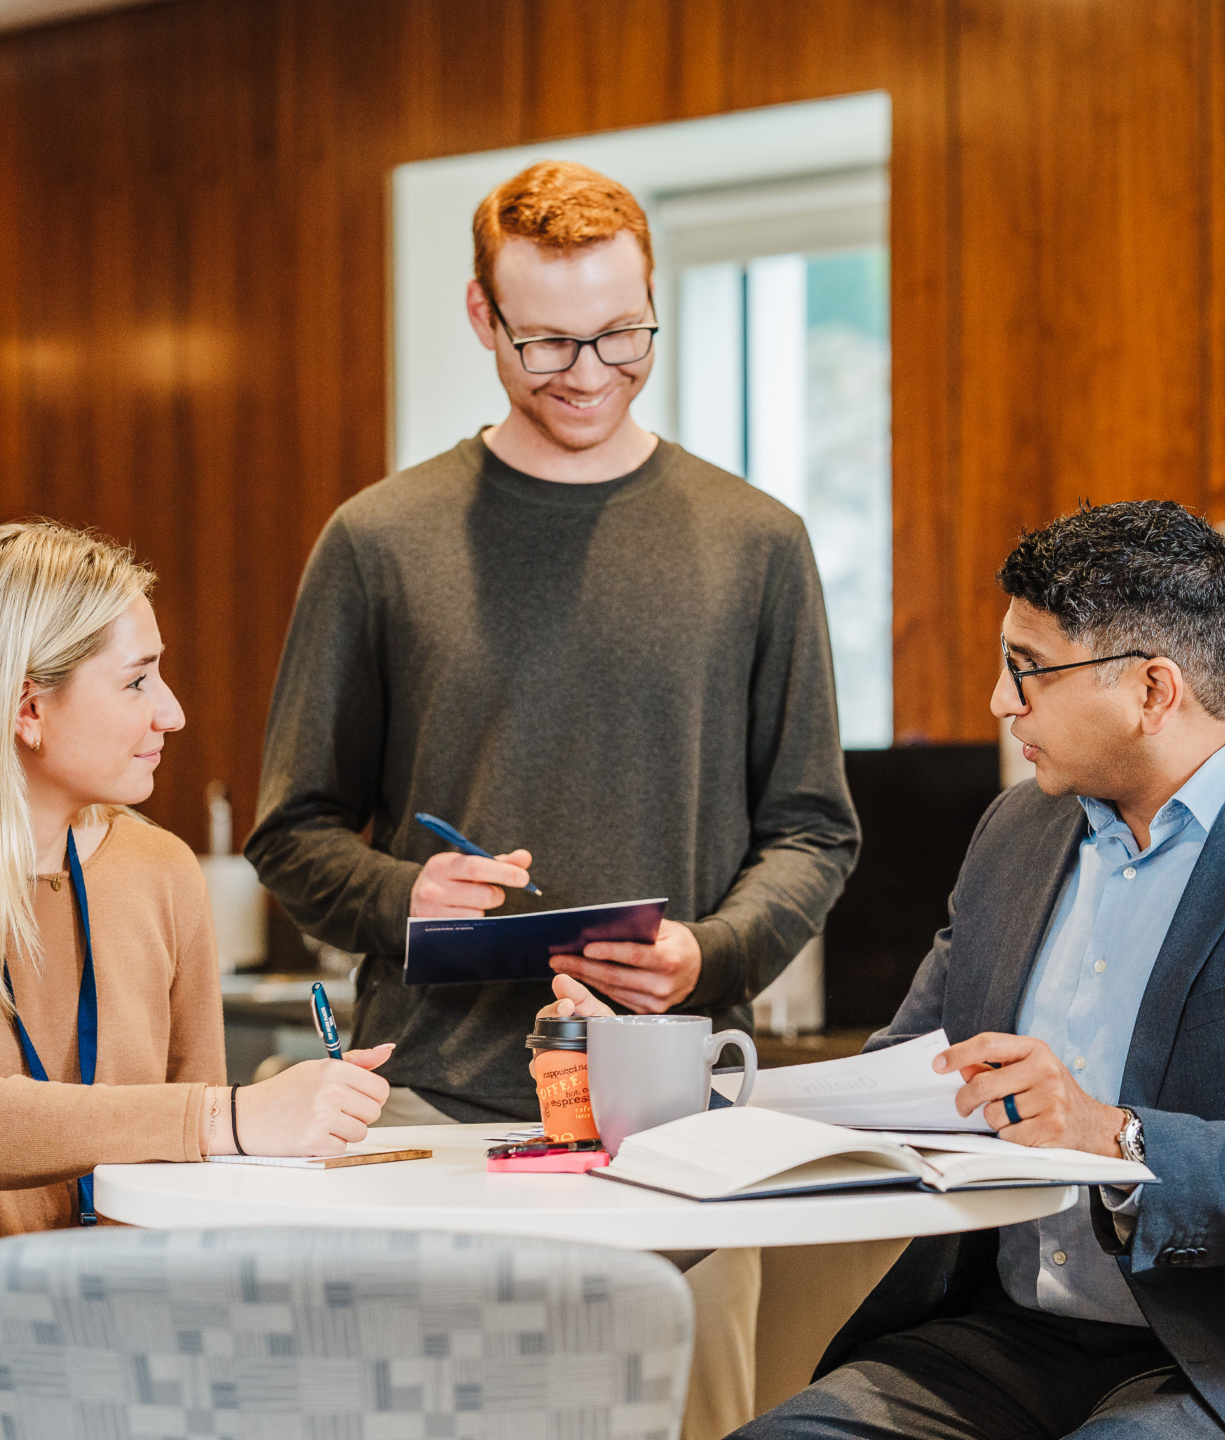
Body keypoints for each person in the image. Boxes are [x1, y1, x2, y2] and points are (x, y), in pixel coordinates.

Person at [698, 500, 1225, 1438]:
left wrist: (1115, 1137)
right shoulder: (1016, 831)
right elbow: (911, 1064)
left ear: (1153, 690)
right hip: (1011, 1342)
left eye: (1028, 670)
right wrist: (704, 1099)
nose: (999, 702)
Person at [247, 159, 859, 1127]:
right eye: (546, 344)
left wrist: (713, 953)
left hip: (683, 1107)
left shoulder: (759, 542)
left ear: (651, 298)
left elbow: (813, 829)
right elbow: (291, 830)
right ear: (482, 317)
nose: (588, 375)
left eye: (622, 335)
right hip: (431, 1102)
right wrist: (403, 892)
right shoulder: (378, 542)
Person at [0, 522, 393, 1440]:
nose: (171, 712)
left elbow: (199, 1180)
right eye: (137, 681)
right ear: (28, 709)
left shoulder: (162, 872)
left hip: (129, 1360)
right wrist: (231, 1118)